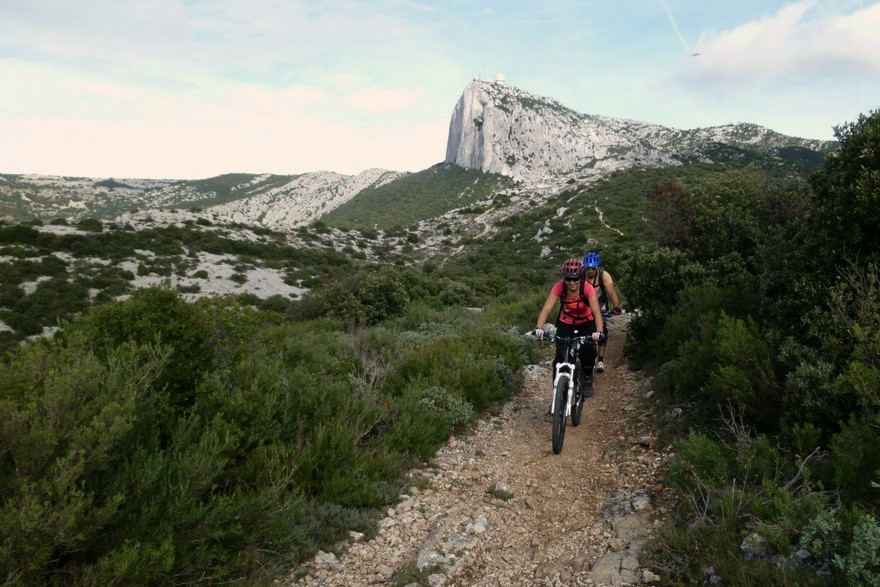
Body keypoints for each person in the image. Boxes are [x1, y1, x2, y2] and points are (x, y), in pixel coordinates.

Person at [535, 258, 604, 398]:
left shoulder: (587, 288)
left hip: (586, 322)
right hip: (566, 322)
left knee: (587, 352)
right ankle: (557, 397)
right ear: (564, 278)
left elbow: (596, 312)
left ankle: (587, 378)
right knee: (559, 360)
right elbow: (547, 308)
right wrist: (539, 328)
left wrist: (599, 331)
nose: (572, 283)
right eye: (568, 279)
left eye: (575, 279)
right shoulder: (559, 287)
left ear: (580, 276)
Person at [582, 252, 623, 373]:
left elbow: (611, 291)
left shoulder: (603, 275)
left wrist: (616, 306)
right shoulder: (580, 274)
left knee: (602, 329)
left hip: (600, 303)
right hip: (585, 303)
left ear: (597, 267)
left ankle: (600, 360)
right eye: (588, 268)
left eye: (593, 268)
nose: (590, 271)